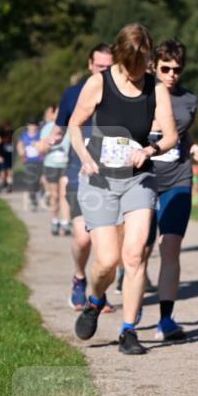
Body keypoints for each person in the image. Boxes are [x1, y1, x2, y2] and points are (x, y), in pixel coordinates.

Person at [68, 23, 177, 356]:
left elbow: (170, 136)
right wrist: (85, 156)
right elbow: (74, 125)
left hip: (137, 178)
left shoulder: (155, 89)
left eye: (142, 65)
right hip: (99, 179)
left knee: (134, 254)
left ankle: (128, 330)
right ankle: (95, 300)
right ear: (120, 57)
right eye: (131, 67)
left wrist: (149, 151)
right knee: (107, 260)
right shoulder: (98, 83)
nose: (136, 74)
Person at [145, 38, 198, 341]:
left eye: (177, 69)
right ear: (153, 66)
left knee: (170, 246)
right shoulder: (140, 95)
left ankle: (166, 319)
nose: (171, 74)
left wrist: (195, 148)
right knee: (139, 249)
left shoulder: (188, 100)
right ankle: (129, 300)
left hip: (178, 177)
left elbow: (184, 135)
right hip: (142, 179)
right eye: (165, 68)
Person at [52, 43, 114, 309]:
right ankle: (79, 277)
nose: (104, 72)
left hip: (111, 175)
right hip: (79, 172)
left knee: (107, 243)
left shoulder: (121, 92)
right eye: (100, 67)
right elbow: (59, 128)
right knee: (83, 237)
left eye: (109, 67)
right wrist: (49, 141)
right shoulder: (72, 94)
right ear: (90, 65)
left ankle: (99, 291)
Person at [39, 105, 71, 235]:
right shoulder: (48, 128)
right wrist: (50, 142)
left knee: (64, 194)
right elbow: (41, 149)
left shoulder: (71, 127)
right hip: (51, 165)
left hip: (66, 165)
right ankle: (54, 220)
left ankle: (65, 222)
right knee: (54, 195)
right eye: (59, 112)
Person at [16, 118, 45, 211]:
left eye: (34, 125)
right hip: (29, 161)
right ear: (28, 125)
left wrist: (38, 145)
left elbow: (45, 144)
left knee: (40, 180)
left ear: (37, 126)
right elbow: (20, 145)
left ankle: (39, 193)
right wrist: (22, 155)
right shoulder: (23, 135)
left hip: (40, 160)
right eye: (30, 125)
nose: (32, 127)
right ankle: (33, 200)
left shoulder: (40, 134)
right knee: (31, 180)